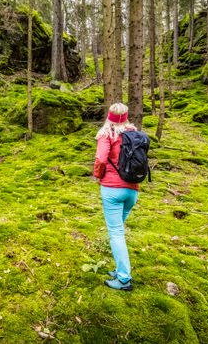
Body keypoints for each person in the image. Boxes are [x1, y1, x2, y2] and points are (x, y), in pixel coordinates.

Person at [93, 102, 138, 291]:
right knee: (118, 231)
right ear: (126, 116)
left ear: (109, 116)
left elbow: (101, 159)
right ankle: (121, 268)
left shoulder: (107, 134)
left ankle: (124, 279)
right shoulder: (135, 134)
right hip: (132, 190)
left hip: (112, 190)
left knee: (116, 234)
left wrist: (97, 175)